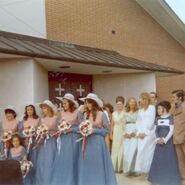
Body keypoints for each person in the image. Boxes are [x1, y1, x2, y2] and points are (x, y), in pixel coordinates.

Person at [78, 93, 117, 185]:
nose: (87, 105)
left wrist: (94, 130)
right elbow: (81, 125)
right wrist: (80, 112)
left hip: (98, 143)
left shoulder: (102, 114)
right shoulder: (85, 115)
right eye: (86, 103)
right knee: (88, 163)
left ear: (94, 103)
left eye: (89, 102)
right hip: (88, 142)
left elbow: (106, 130)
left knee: (97, 164)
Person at [148, 101, 181, 185]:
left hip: (168, 143)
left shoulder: (170, 118)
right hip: (159, 143)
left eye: (159, 108)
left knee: (169, 160)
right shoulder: (157, 119)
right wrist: (158, 139)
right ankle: (158, 179)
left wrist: (165, 140)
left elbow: (171, 131)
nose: (157, 110)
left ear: (164, 108)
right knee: (158, 160)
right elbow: (155, 130)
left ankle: (169, 179)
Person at [50, 93, 80, 185]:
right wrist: (60, 128)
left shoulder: (78, 112)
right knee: (64, 159)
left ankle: (73, 181)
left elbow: (81, 127)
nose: (63, 105)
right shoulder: (62, 113)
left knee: (73, 159)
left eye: (65, 103)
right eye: (63, 103)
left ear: (70, 103)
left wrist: (72, 129)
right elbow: (58, 125)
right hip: (64, 138)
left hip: (73, 139)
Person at [34, 100, 57, 185]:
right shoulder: (41, 119)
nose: (44, 110)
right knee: (41, 162)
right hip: (42, 142)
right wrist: (41, 133)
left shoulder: (55, 118)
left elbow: (58, 131)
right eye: (43, 108)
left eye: (45, 108)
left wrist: (50, 133)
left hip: (51, 142)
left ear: (49, 108)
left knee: (50, 161)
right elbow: (38, 129)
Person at [135, 92, 156, 176]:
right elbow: (138, 122)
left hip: (148, 132)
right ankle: (141, 169)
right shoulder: (140, 110)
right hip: (140, 132)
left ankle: (148, 170)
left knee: (148, 151)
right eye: (142, 99)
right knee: (140, 151)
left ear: (148, 100)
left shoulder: (152, 108)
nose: (143, 100)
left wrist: (145, 132)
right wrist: (139, 132)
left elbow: (151, 121)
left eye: (145, 99)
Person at [21, 104, 40, 185]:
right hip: (26, 142)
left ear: (34, 110)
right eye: (28, 110)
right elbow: (21, 132)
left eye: (31, 109)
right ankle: (27, 180)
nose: (29, 111)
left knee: (34, 160)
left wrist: (33, 134)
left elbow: (39, 130)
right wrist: (26, 135)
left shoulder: (38, 119)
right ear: (26, 111)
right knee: (26, 159)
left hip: (34, 142)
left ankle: (35, 180)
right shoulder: (24, 120)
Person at [170, 90, 185, 185]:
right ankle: (183, 176)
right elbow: (170, 116)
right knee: (180, 159)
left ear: (180, 98)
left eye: (174, 97)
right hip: (176, 137)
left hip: (184, 136)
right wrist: (173, 106)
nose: (172, 99)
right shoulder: (174, 107)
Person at [123, 97, 138, 176]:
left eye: (133, 102)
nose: (132, 103)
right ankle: (127, 170)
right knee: (126, 152)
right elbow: (123, 124)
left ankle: (134, 170)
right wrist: (125, 133)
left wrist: (134, 132)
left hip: (134, 132)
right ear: (128, 103)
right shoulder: (125, 112)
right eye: (130, 102)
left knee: (134, 151)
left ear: (135, 103)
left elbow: (139, 123)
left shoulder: (138, 112)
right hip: (127, 132)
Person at [111, 96, 126, 173]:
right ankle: (114, 167)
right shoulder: (113, 113)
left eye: (120, 104)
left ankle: (121, 167)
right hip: (116, 131)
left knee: (121, 149)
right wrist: (111, 134)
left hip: (123, 131)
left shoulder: (125, 112)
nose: (119, 106)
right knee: (115, 149)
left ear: (123, 104)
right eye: (117, 104)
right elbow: (112, 124)